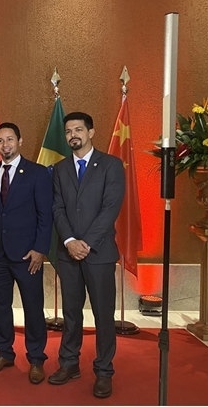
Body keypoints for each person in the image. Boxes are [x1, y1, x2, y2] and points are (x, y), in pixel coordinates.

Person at [48, 111, 125, 399]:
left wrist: (86, 243)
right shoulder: (59, 169)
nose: (73, 135)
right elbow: (57, 208)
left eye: (78, 130)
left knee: (103, 315)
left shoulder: (111, 165)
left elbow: (110, 208)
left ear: (91, 132)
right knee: (71, 313)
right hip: (67, 253)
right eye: (69, 131)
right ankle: (69, 364)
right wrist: (70, 241)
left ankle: (104, 371)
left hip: (99, 254)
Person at [0, 122, 53, 384]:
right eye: (0, 140)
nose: (5, 145)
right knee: (1, 307)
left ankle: (36, 358)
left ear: (19, 141)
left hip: (27, 256)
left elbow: (46, 215)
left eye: (10, 139)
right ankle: (4, 352)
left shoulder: (37, 173)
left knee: (33, 307)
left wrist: (40, 249)